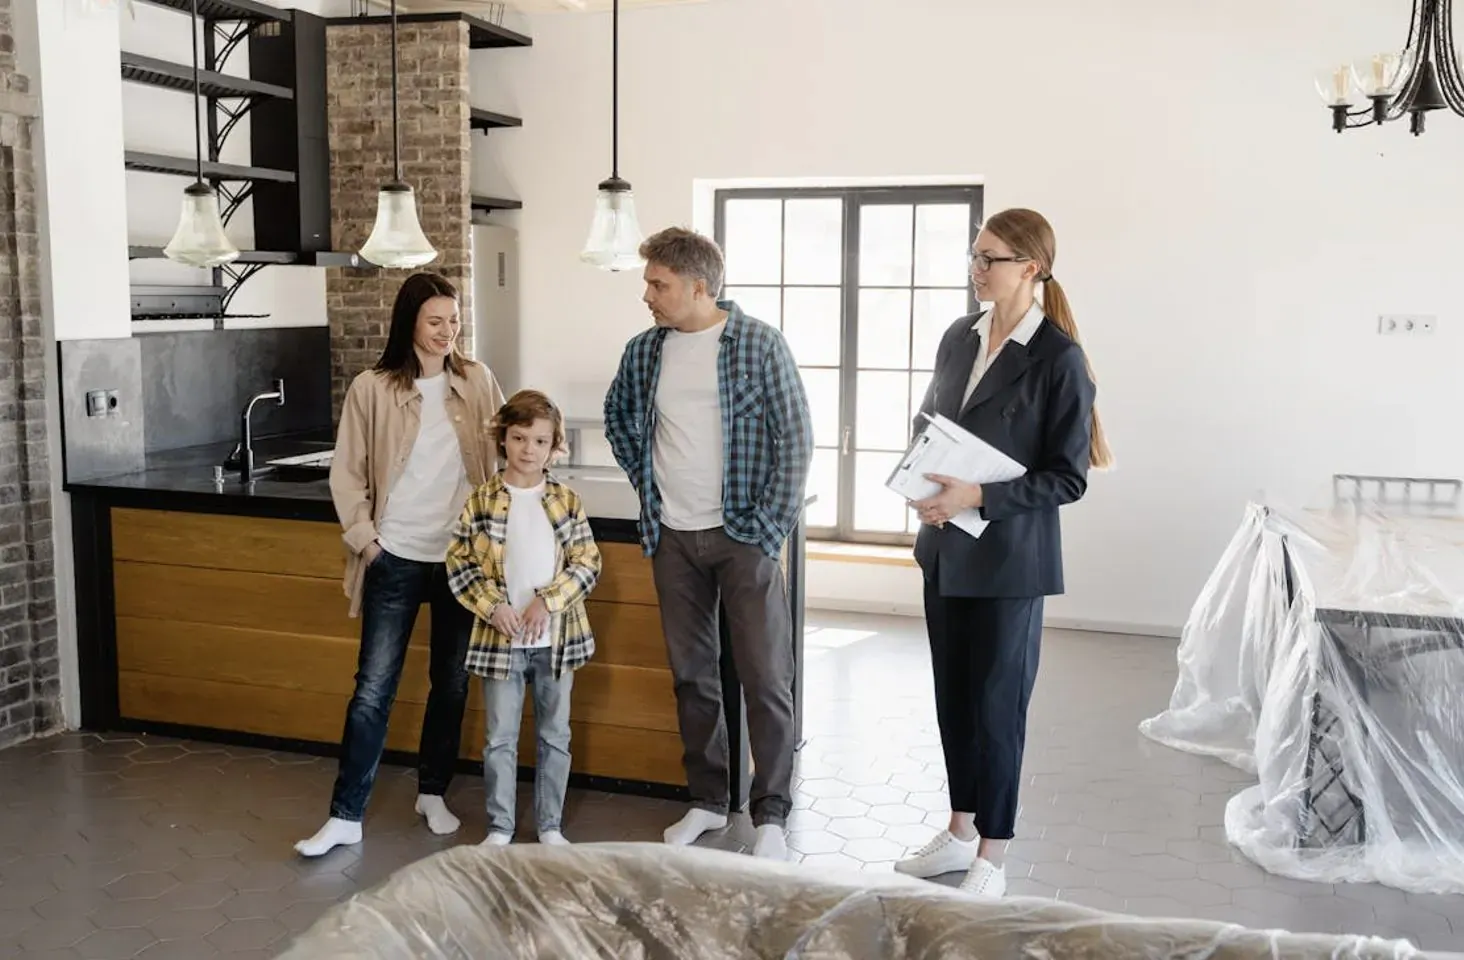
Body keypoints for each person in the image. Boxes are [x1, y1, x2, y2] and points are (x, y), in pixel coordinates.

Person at [895, 208, 1110, 897]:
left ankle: (995, 849)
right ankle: (959, 832)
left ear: (1033, 267)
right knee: (953, 697)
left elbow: (1067, 477)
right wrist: (923, 481)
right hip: (945, 550)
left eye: (991, 258)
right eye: (974, 257)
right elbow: (930, 419)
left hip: (1010, 561)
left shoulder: (1059, 359)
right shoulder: (959, 336)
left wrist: (977, 499)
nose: (976, 270)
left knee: (997, 706)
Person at [604, 227, 814, 861]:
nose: (647, 294)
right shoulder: (645, 352)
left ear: (698, 286)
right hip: (673, 538)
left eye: (658, 284)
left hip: (743, 538)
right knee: (693, 677)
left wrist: (766, 529)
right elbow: (619, 418)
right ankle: (707, 800)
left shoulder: (758, 345)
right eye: (647, 282)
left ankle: (771, 812)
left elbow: (797, 441)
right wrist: (650, 486)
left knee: (764, 675)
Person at [296, 272, 506, 858]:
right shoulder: (373, 387)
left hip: (461, 560)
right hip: (395, 554)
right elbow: (348, 471)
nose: (447, 331)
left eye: (454, 320)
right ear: (409, 321)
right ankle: (345, 815)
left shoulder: (478, 380)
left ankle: (432, 792)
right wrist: (366, 541)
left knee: (452, 683)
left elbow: (504, 455)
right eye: (435, 321)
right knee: (373, 689)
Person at [445, 389, 602, 847]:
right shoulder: (482, 500)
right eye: (519, 438)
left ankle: (550, 825)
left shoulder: (566, 501)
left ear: (554, 447)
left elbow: (587, 562)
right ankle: (500, 826)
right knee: (499, 739)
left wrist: (546, 601)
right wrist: (493, 606)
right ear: (503, 439)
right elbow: (459, 562)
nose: (528, 450)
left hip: (556, 641)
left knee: (555, 736)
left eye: (539, 441)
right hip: (500, 643)